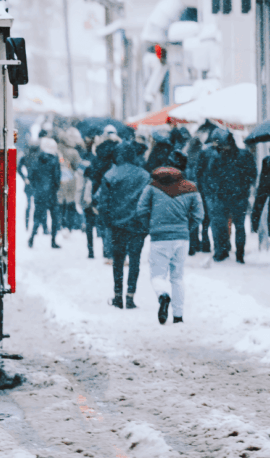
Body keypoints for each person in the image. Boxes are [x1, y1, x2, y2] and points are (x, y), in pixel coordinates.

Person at [137, 151, 204, 325]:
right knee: (178, 278)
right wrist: (185, 228)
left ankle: (163, 296)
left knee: (157, 276)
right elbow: (199, 215)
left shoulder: (153, 186)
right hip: (181, 238)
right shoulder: (191, 187)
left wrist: (151, 227)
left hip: (159, 237)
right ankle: (179, 316)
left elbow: (141, 209)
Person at [96, 142, 150, 309]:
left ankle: (117, 295)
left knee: (118, 261)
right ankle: (130, 296)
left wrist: (107, 223)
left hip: (117, 225)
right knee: (135, 261)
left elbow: (103, 203)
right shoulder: (144, 175)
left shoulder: (110, 174)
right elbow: (149, 202)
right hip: (137, 225)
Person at [201, 130, 257, 263]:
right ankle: (238, 254)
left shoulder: (218, 157)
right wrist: (243, 186)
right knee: (238, 226)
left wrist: (214, 190)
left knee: (223, 225)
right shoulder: (244, 155)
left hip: (224, 196)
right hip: (237, 196)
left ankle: (223, 251)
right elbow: (252, 175)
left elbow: (210, 176)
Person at [27, 137, 61, 248]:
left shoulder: (37, 159)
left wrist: (36, 187)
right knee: (55, 217)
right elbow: (57, 177)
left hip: (39, 193)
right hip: (51, 193)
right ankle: (53, 241)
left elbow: (31, 175)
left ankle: (32, 238)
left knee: (38, 216)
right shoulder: (55, 160)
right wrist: (55, 188)